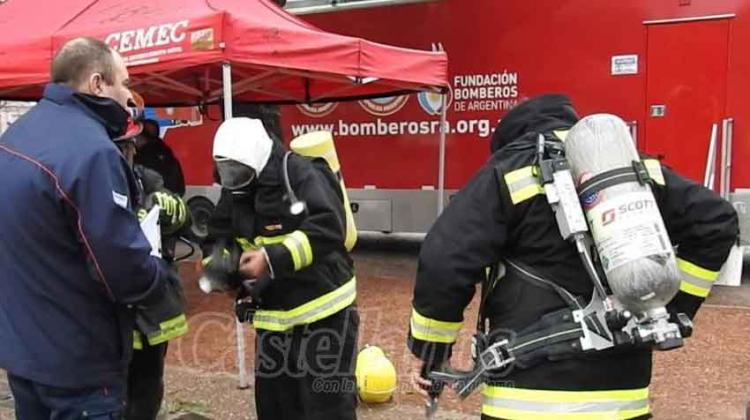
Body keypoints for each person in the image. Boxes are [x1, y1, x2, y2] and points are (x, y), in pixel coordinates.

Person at [407, 94, 739, 419]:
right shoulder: (631, 169)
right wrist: (671, 307)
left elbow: (445, 261)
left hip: (528, 399)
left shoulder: (507, 170)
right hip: (623, 396)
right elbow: (716, 221)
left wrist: (430, 350)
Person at [0, 37, 179, 419]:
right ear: (97, 84)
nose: (130, 97)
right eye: (125, 83)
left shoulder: (15, 136)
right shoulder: (91, 151)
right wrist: (162, 277)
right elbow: (121, 269)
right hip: (78, 364)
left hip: (24, 351)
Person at [203, 117, 358, 420]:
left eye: (237, 172)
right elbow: (217, 237)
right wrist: (223, 272)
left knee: (327, 408)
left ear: (258, 160)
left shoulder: (299, 173)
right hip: (273, 322)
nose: (232, 179)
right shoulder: (236, 190)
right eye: (226, 172)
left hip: (325, 314)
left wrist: (272, 259)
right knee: (276, 410)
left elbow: (329, 227)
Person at [113, 112, 190, 420]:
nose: (126, 153)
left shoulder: (147, 177)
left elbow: (187, 221)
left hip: (151, 308)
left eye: (129, 147)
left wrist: (174, 210)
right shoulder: (92, 181)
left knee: (147, 385)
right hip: (111, 311)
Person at [134, 119, 186, 197]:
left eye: (137, 137)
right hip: (172, 200)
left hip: (153, 203)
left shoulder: (142, 159)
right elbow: (180, 188)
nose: (135, 141)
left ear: (143, 138)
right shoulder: (168, 155)